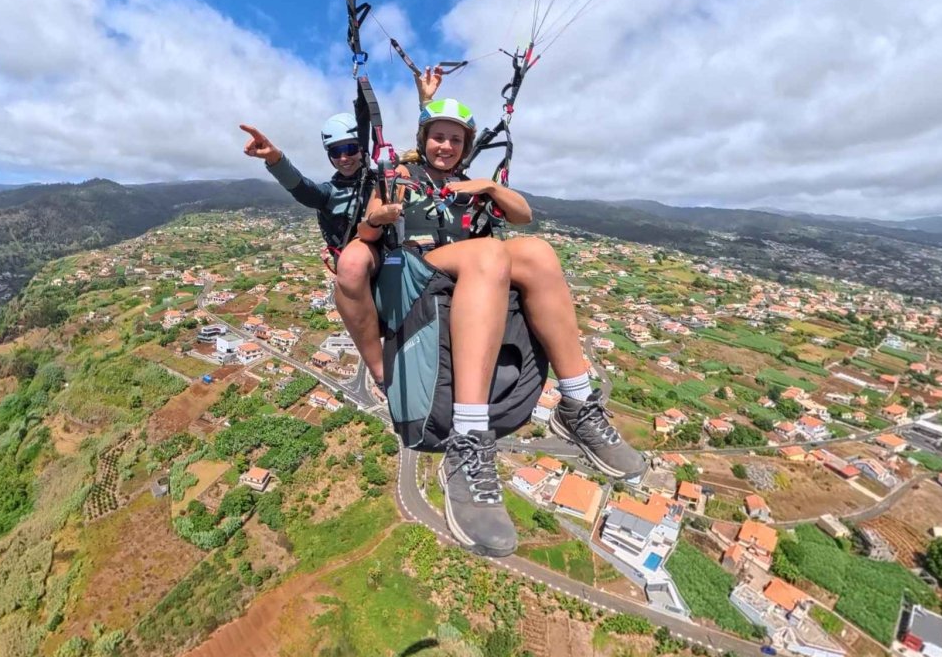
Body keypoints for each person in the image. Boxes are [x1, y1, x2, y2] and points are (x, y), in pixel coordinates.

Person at [363, 97, 647, 557]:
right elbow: (368, 224)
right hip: (418, 265)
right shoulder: (400, 177)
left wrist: (488, 188)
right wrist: (381, 217)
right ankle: (468, 438)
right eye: (438, 136)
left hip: (473, 268)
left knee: (537, 253)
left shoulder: (471, 185)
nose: (446, 146)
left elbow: (523, 215)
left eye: (456, 140)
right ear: (423, 140)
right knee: (491, 252)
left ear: (465, 146)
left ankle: (577, 403)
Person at [240, 115, 386, 385]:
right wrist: (275, 158)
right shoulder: (329, 194)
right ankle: (379, 373)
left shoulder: (386, 180)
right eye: (336, 152)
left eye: (350, 149)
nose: (344, 158)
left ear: (363, 148)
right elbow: (301, 188)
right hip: (359, 273)